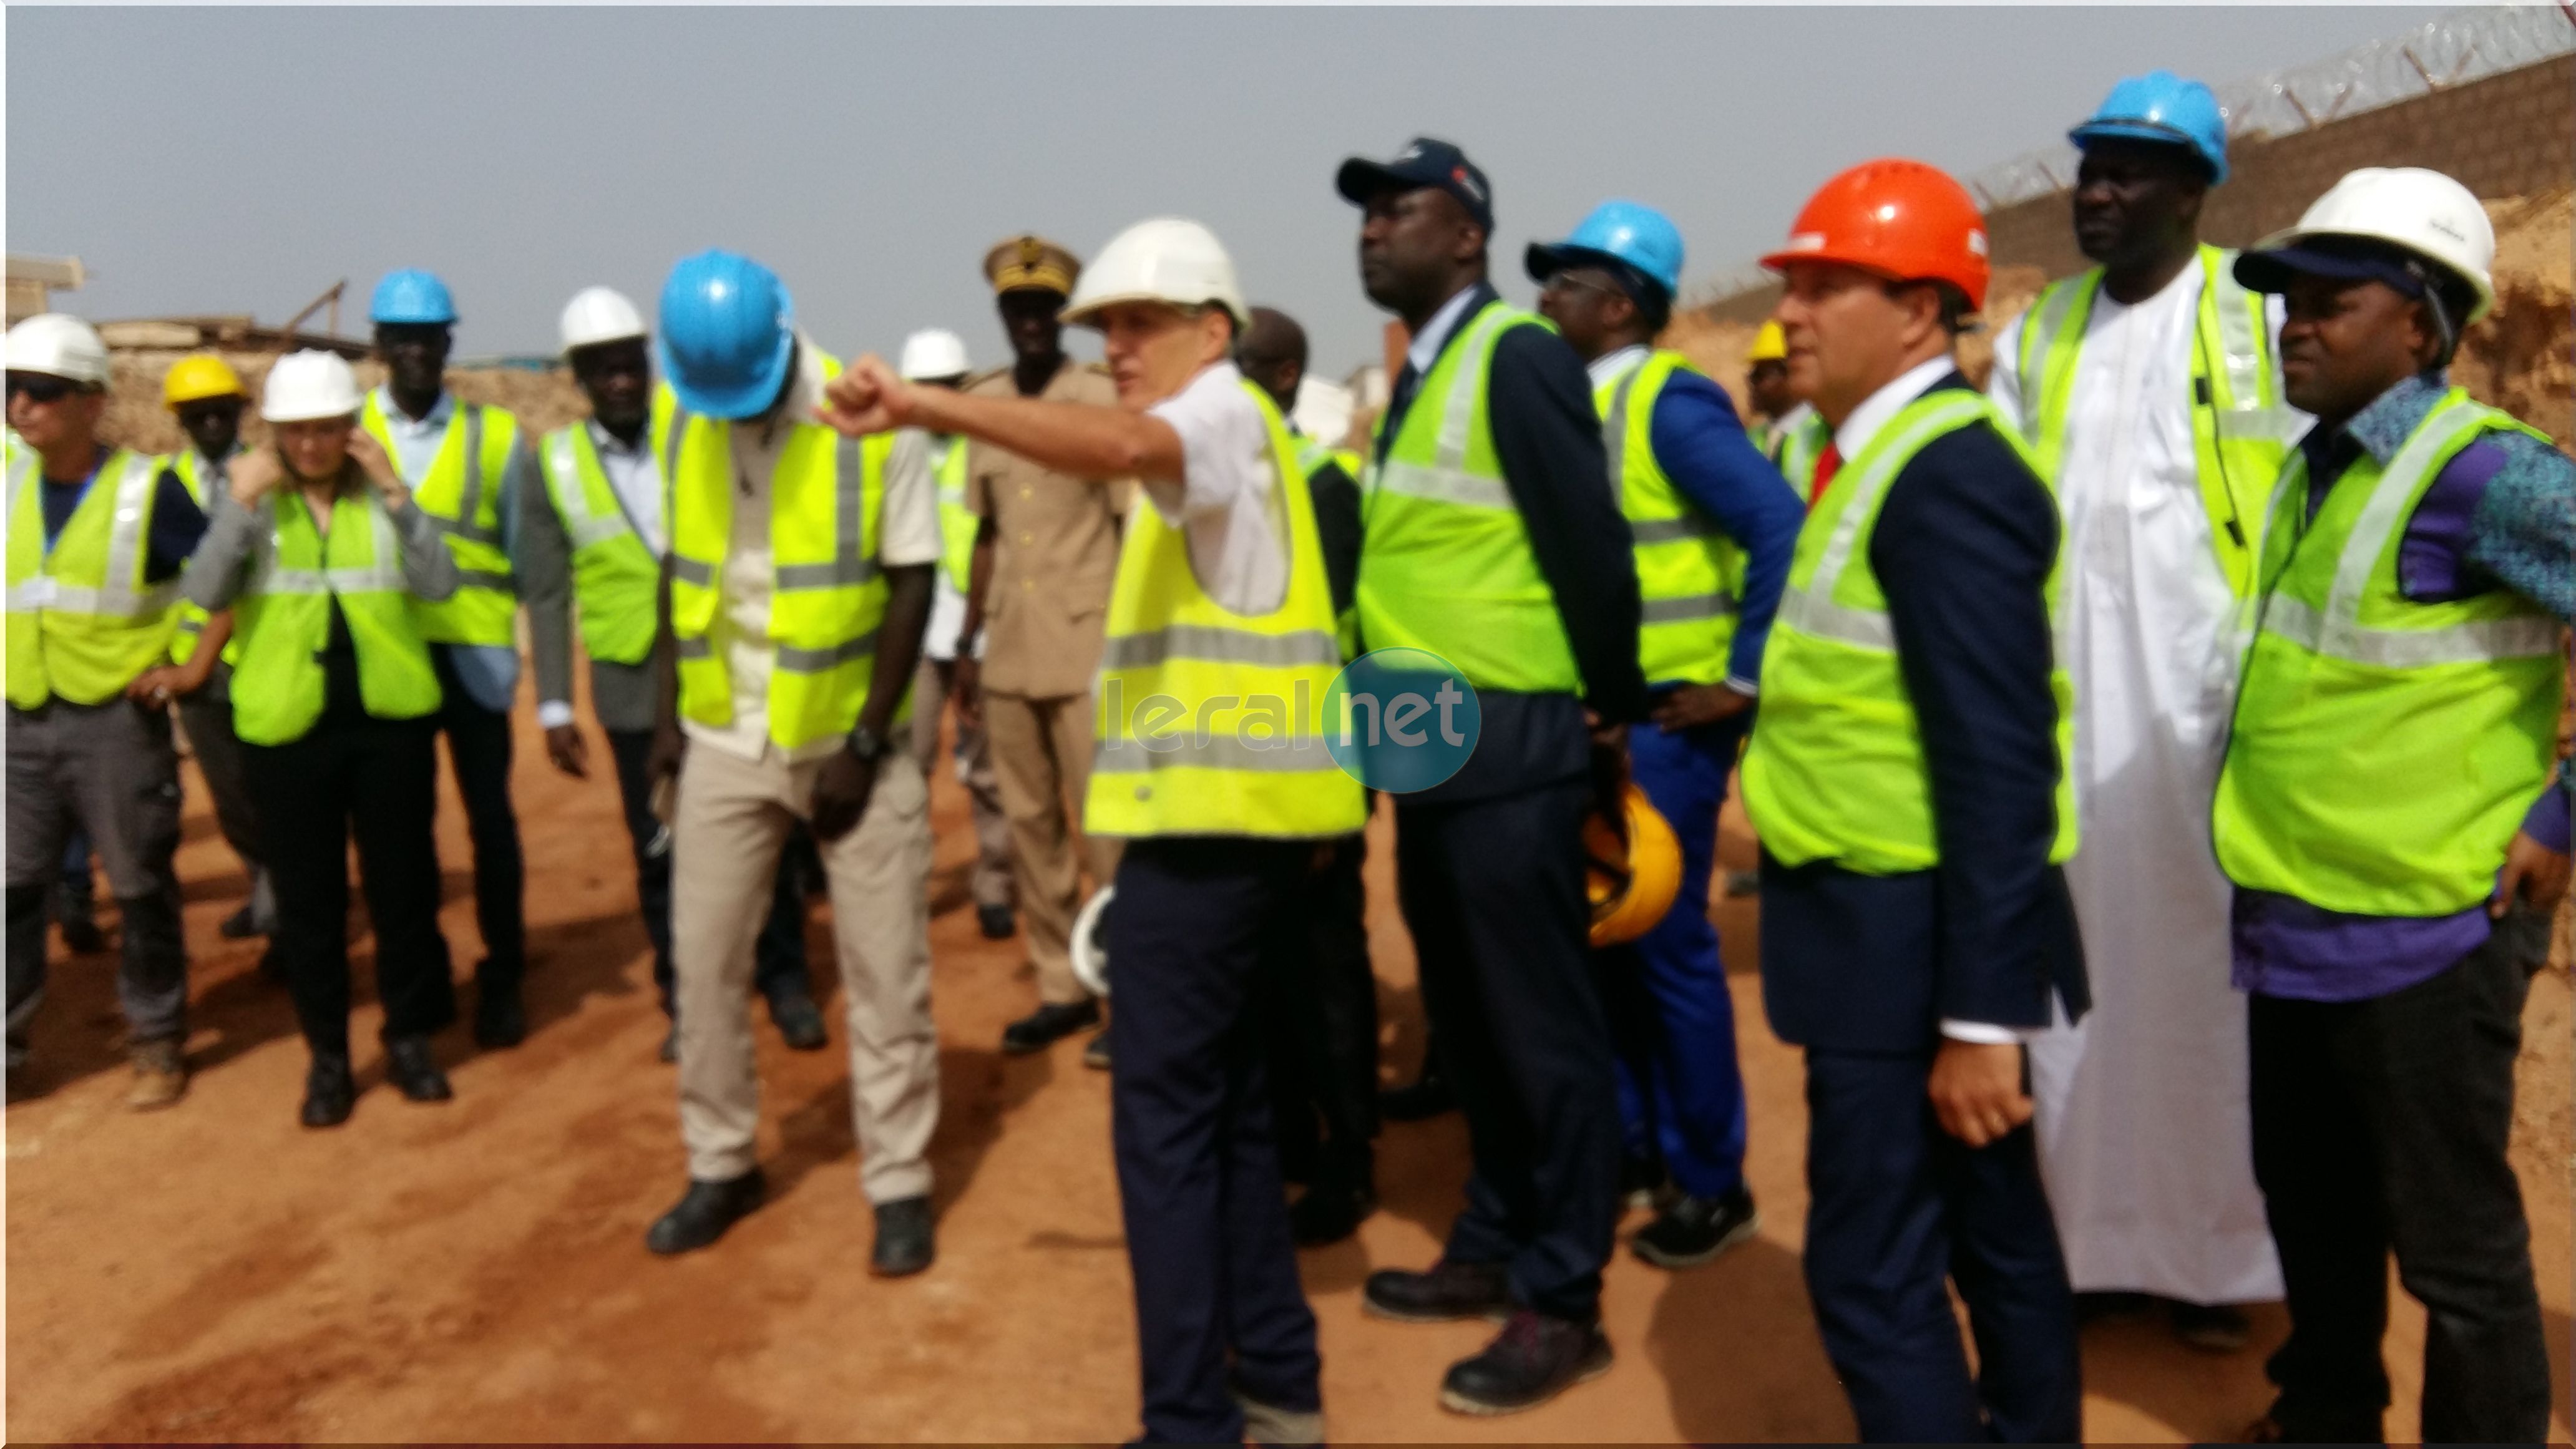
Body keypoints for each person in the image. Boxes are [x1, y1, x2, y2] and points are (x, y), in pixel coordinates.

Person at [817, 215, 1364, 1449]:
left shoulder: (1215, 415)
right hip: (1236, 833)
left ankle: (1189, 1426)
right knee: (1227, 1120)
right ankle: (1275, 1389)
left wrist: (924, 408)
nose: (1113, 347)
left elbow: (1123, 442)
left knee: (1166, 1134)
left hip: (1212, 840)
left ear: (1212, 333)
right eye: (1101, 328)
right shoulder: (1236, 431)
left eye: (1137, 323)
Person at [2215, 166, 2573, 1445]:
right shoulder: (2318, 468)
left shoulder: (2489, 479)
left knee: (2456, 1257)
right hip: (2296, 924)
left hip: (2428, 934)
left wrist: (2562, 815)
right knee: (2313, 1209)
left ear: (2420, 323)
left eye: (2332, 301)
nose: (2293, 323)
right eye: (2286, 299)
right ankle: (2325, 1417)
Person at [1739, 159, 2087, 1442]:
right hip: (1898, 928)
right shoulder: (1875, 460)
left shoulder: (1945, 478)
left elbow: (2001, 764)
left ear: (1924, 309)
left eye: (1831, 283)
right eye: (1795, 283)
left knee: (1873, 1270)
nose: (1795, 312)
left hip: (1918, 944)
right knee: (1994, 1240)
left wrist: (1982, 1018)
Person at [1335, 138, 1647, 1415]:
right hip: (1429, 748)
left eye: (1399, 210)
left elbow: (1589, 541)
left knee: (1541, 1033)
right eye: (1363, 214)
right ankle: (1496, 1235)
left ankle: (1563, 1299)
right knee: (1470, 1026)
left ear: (1465, 235)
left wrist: (1609, 713)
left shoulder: (1513, 355)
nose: (1371, 230)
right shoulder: (1422, 373)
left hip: (1512, 748)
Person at [1988, 71, 2292, 1352]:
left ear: (2197, 189)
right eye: (2090, 168)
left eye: (2131, 171)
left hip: (2203, 710)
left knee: (2205, 987)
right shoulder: (2036, 332)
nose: (2098, 193)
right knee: (2074, 983)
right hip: (2065, 712)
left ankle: (2219, 1264)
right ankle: (2090, 1246)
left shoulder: (2261, 314)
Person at [637, 251, 940, 1279]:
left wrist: (863, 741)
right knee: (704, 964)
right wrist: (677, 711)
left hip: (846, 743)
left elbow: (912, 581)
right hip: (725, 737)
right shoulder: (684, 415)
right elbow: (682, 564)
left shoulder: (868, 416)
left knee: (884, 973)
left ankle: (898, 1180)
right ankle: (721, 1162)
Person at [1526, 200, 1806, 1269]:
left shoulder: (1665, 401)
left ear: (1618, 303)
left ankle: (1711, 1180)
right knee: (1610, 939)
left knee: (1670, 947)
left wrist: (1740, 680)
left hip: (1666, 726)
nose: (1544, 299)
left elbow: (1777, 523)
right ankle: (1638, 1147)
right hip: (1597, 721)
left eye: (1563, 284)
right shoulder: (1567, 403)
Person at [520, 286, 824, 1066]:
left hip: (726, 667)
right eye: (602, 369)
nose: (620, 380)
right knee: (659, 846)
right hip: (628, 684)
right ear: (579, 378)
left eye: (631, 364)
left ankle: (785, 982)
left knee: (770, 833)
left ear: (649, 364)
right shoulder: (550, 462)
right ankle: (684, 998)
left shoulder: (704, 427)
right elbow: (547, 592)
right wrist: (556, 703)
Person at [185, 351, 466, 1126]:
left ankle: (409, 1040)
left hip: (389, 726)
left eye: (329, 429)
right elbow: (205, 592)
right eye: (296, 431)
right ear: (273, 433)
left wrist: (398, 494)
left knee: (404, 893)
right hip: (288, 732)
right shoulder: (251, 501)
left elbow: (441, 585)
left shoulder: (383, 499)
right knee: (309, 907)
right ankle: (330, 1060)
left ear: (353, 428)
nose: (312, 445)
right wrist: (237, 510)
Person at [4, 313, 207, 1107]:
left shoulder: (146, 490)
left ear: (91, 403)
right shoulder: (8, 478)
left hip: (116, 724)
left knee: (138, 883)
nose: (20, 407)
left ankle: (157, 1039)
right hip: (20, 716)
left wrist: (186, 663)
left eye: (41, 393)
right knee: (13, 891)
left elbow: (218, 575)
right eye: (9, 390)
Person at [959, 235, 1126, 1064]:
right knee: (1030, 825)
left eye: (1042, 309)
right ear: (1000, 315)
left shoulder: (1096, 398)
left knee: (1107, 828)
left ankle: (1124, 992)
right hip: (1010, 649)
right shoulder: (984, 402)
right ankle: (1059, 984)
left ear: (1062, 315)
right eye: (1015, 309)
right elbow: (986, 532)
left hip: (1091, 644)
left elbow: (1132, 526)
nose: (1029, 322)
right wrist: (965, 641)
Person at [1232, 304, 1378, 1247]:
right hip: (1236, 764)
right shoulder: (1226, 476)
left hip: (1315, 763)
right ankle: (1288, 1129)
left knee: (1325, 970)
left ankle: (1348, 1156)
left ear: (1284, 377)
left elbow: (1321, 643)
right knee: (1262, 967)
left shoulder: (1321, 485)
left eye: (1238, 367)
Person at [359, 268, 533, 1050]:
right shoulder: (350, 431)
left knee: (490, 824)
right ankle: (426, 979)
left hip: (476, 654)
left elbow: (528, 557)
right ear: (379, 348)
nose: (416, 353)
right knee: (406, 830)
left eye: (428, 339)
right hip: (391, 655)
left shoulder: (496, 437)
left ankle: (504, 973)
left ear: (447, 343)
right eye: (401, 341)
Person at [897, 327, 1015, 942]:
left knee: (991, 771)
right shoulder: (893, 451)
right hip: (915, 637)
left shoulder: (986, 448)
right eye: (928, 388)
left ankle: (995, 883)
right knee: (907, 767)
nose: (938, 398)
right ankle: (907, 889)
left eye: (948, 387)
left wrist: (975, 635)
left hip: (982, 628)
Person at [160, 352, 277, 948]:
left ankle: (284, 911)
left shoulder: (268, 475)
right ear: (180, 419)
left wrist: (200, 660)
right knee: (231, 801)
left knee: (271, 795)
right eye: (197, 413)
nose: (211, 423)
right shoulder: (165, 481)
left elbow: (242, 578)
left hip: (260, 660)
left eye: (221, 411)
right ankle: (265, 893)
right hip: (198, 679)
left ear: (241, 412)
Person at [1742, 320, 1813, 469]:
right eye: (1752, 375)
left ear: (1791, 374)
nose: (1751, 382)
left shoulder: (1817, 432)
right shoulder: (1753, 440)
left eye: (1760, 375)